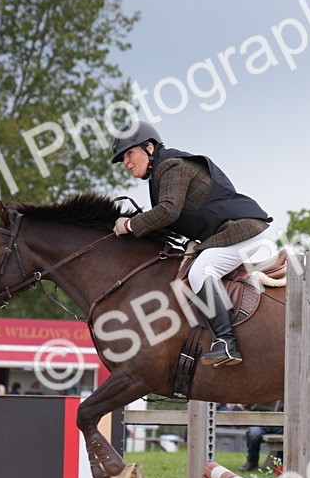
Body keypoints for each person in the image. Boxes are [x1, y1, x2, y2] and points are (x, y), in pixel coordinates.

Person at [110, 121, 273, 367]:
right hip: (224, 234)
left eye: (130, 153)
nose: (127, 162)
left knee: (201, 271)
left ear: (150, 147)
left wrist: (130, 226)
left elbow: (167, 212)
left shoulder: (171, 165)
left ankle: (227, 343)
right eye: (123, 158)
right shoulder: (160, 175)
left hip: (242, 230)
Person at [239, 400, 283, 472]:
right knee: (253, 433)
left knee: (290, 432)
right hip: (259, 420)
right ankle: (252, 462)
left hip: (281, 422)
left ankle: (281, 463)